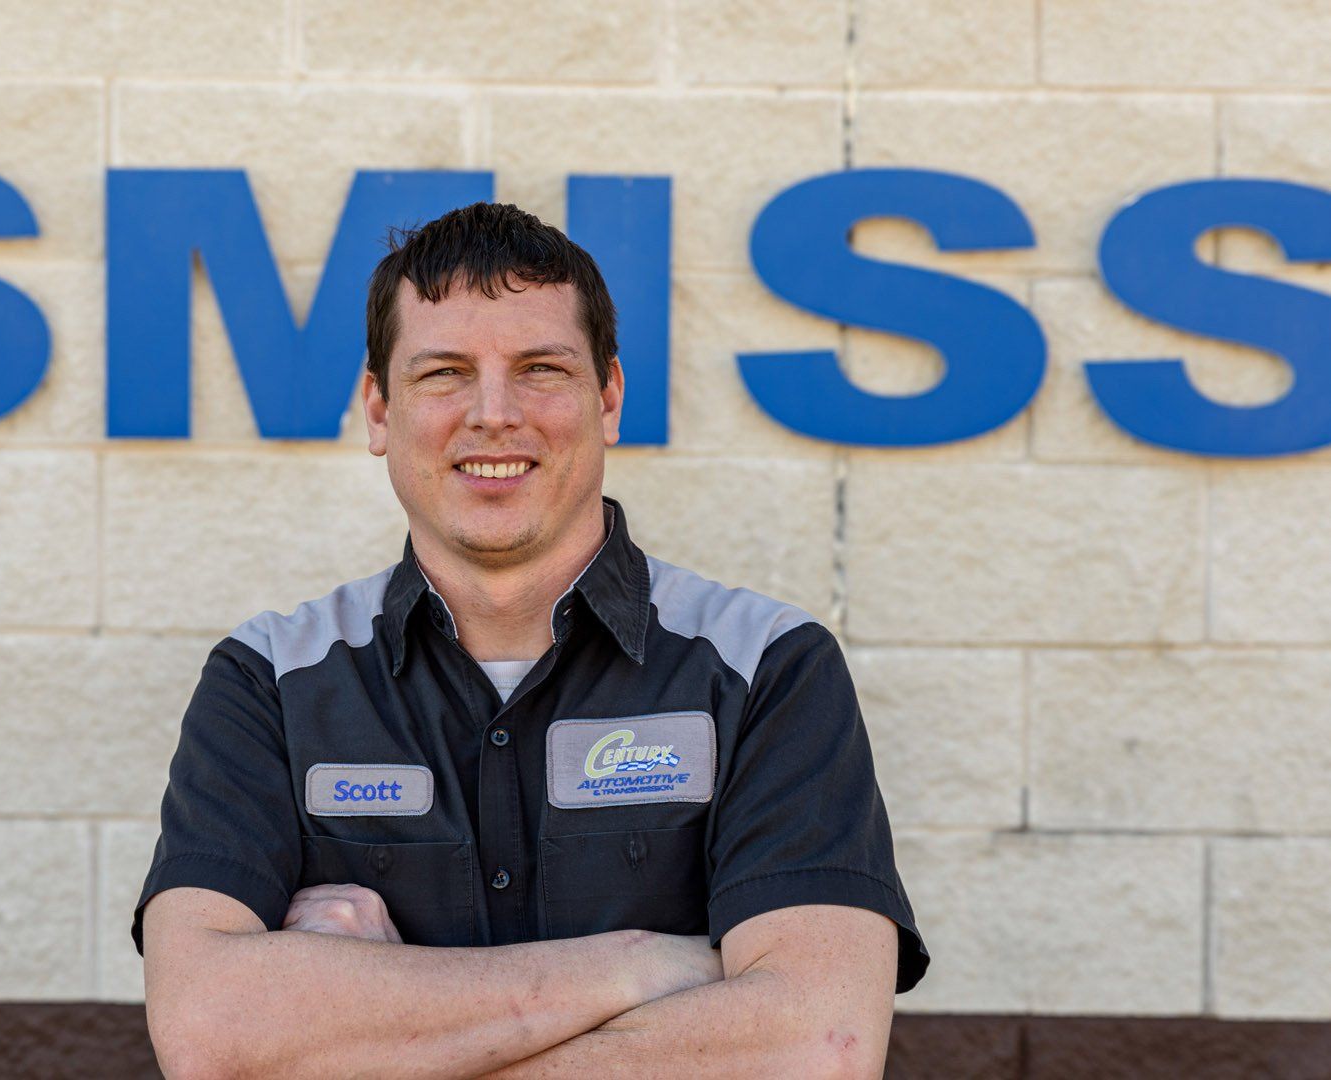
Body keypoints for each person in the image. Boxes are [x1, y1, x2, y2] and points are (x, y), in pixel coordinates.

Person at [131, 201, 929, 1078]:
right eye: (443, 373)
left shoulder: (767, 668)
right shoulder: (272, 683)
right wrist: (647, 964)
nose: (494, 414)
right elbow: (211, 1033)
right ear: (379, 411)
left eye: (541, 368)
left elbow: (817, 1048)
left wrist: (366, 1021)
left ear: (609, 399)